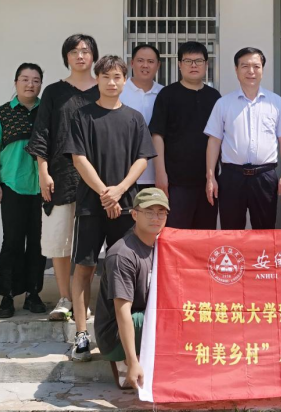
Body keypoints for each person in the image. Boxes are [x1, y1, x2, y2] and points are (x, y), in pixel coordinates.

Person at [63, 55, 157, 362]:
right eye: (106, 77)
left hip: (127, 206)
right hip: (91, 206)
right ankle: (81, 335)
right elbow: (78, 158)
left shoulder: (134, 118)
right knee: (85, 267)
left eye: (117, 77)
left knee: (127, 268)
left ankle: (124, 332)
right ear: (98, 79)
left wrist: (119, 191)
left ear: (124, 80)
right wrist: (105, 193)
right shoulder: (82, 116)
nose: (112, 82)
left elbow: (142, 159)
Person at [26, 34, 100, 321]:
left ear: (93, 56)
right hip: (60, 176)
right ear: (66, 57)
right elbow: (42, 132)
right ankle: (65, 298)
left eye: (85, 51)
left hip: (95, 178)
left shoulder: (103, 89)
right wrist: (43, 171)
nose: (80, 56)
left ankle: (83, 300)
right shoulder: (54, 92)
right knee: (60, 240)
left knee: (89, 242)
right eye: (74, 51)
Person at [204, 47, 281, 230]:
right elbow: (214, 142)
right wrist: (211, 177)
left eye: (256, 66)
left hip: (264, 176)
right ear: (236, 70)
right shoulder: (223, 104)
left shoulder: (276, 102)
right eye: (245, 66)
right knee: (231, 232)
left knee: (265, 231)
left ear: (262, 70)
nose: (251, 71)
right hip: (231, 177)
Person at [0, 63, 47, 319]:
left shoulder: (47, 111)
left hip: (43, 188)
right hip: (11, 185)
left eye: (36, 80)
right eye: (25, 79)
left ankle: (33, 293)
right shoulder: (2, 113)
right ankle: (7, 296)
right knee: (11, 241)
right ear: (15, 82)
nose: (30, 84)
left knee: (38, 242)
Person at [94, 187, 169, 390]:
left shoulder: (161, 244)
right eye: (149, 212)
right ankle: (126, 360)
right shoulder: (123, 254)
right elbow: (122, 311)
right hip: (114, 334)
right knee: (169, 318)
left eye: (161, 212)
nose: (156, 218)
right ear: (134, 215)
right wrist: (133, 361)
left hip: (142, 314)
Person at [150, 41, 221, 230]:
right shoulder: (167, 94)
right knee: (175, 233)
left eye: (199, 61)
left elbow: (219, 139)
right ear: (180, 64)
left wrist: (213, 177)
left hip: (208, 182)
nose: (193, 65)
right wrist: (160, 173)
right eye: (188, 61)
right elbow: (157, 135)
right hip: (176, 182)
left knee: (205, 235)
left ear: (206, 64)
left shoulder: (215, 97)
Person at [120, 44, 163, 190]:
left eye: (151, 61)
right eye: (140, 61)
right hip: (123, 175)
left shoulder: (164, 94)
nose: (145, 65)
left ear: (158, 65)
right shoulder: (119, 91)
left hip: (156, 175)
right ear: (132, 63)